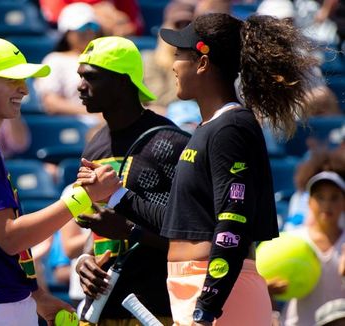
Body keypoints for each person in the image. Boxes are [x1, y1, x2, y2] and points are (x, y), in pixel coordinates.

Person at [78, 13, 318, 325]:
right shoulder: (210, 128)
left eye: (179, 55)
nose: (173, 65)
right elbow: (181, 222)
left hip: (217, 295)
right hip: (198, 290)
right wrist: (116, 195)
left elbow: (233, 222)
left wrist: (207, 306)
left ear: (202, 63)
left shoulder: (231, 127)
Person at [0, 36, 120, 326]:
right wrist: (83, 198)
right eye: (12, 80)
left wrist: (37, 296)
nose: (23, 90)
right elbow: (11, 238)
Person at [73, 36, 190, 325]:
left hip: (156, 310)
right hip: (102, 310)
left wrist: (129, 230)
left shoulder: (171, 142)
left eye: (91, 77)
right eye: (80, 76)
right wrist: (84, 262)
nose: (80, 86)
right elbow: (101, 231)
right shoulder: (94, 146)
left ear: (123, 82)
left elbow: (193, 237)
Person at [277, 171, 345, 326]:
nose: (327, 204)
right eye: (320, 197)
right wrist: (268, 290)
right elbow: (269, 292)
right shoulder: (291, 239)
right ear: (309, 202)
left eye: (334, 197)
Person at [35, 2, 103, 127]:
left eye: (92, 26)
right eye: (81, 28)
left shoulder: (106, 59)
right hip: (75, 127)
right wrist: (94, 114)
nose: (87, 32)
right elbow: (51, 103)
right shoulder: (54, 60)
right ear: (66, 32)